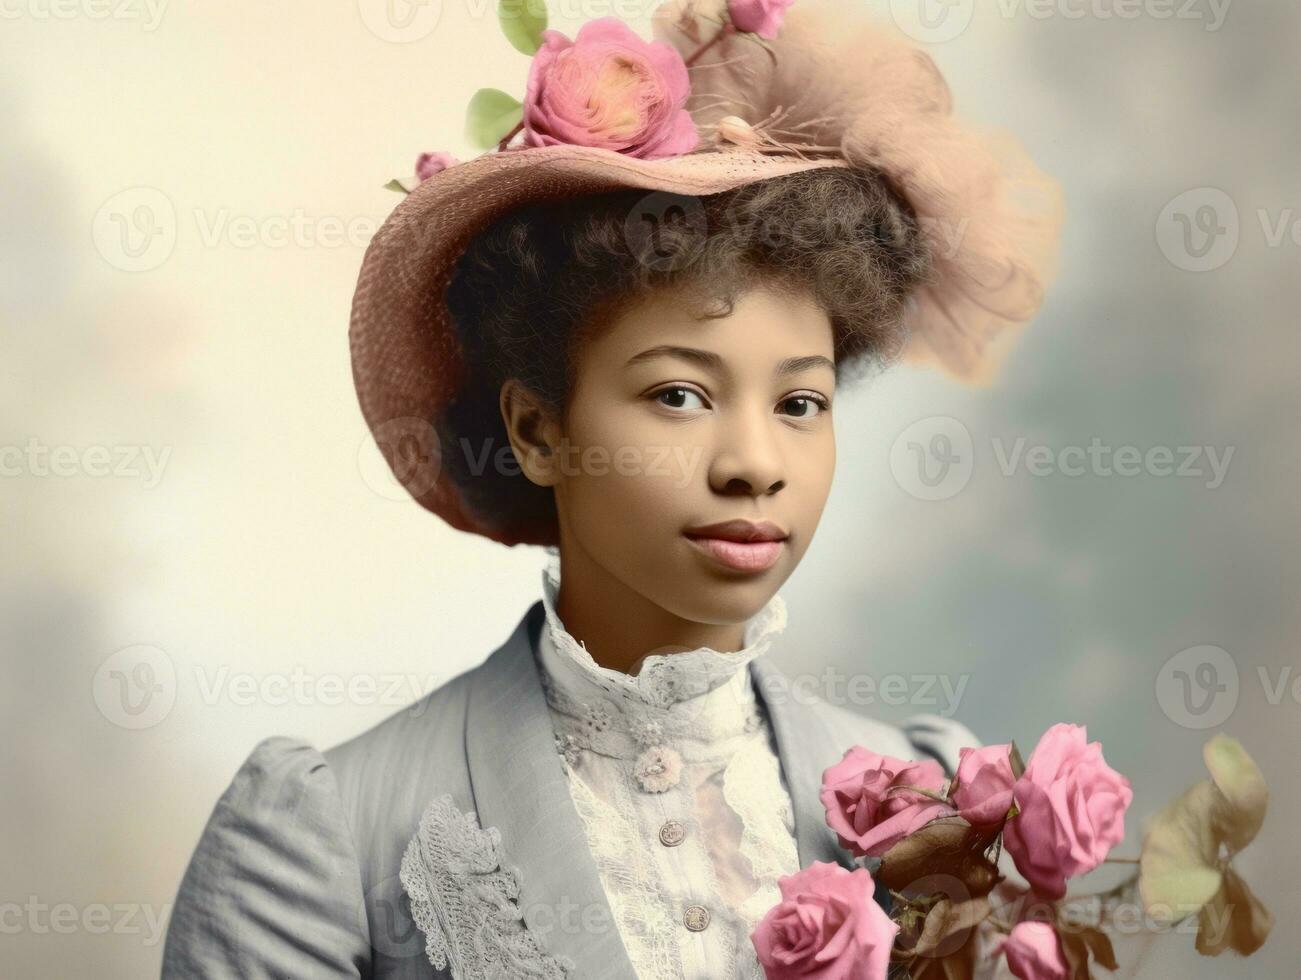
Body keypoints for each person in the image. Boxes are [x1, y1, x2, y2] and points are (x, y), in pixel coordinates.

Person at [161, 1, 1062, 977]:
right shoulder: (327, 831)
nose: (753, 461)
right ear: (538, 428)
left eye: (799, 400)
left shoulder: (931, 799)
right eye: (678, 393)